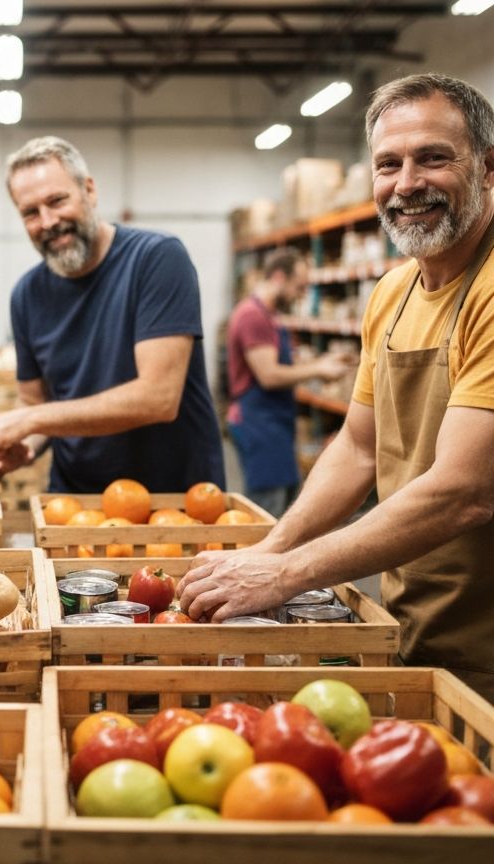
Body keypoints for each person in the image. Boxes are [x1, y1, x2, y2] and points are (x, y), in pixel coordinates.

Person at [179, 73, 494, 700]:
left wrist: (287, 573)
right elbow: (356, 448)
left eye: (433, 157)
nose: (407, 184)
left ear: (487, 167)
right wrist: (269, 553)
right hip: (412, 619)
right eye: (388, 164)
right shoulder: (392, 292)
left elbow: (465, 491)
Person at [0, 135, 225, 494]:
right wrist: (23, 448)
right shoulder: (27, 295)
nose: (47, 221)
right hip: (74, 503)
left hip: (173, 501)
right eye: (30, 212)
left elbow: (158, 397)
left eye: (57, 201)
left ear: (89, 191)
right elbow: (35, 402)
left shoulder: (156, 259)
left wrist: (28, 420)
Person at [227, 246, 351, 517]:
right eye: (299, 286)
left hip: (273, 423)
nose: (302, 293)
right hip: (258, 424)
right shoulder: (252, 316)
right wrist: (318, 369)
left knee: (283, 503)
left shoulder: (269, 316)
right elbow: (269, 375)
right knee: (264, 511)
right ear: (280, 277)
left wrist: (322, 360)